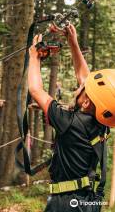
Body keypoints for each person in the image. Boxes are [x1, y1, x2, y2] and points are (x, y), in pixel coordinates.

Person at [28, 24, 115, 212]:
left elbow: (36, 90)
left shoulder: (69, 122)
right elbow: (85, 78)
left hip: (66, 205)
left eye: (84, 88)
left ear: (85, 103)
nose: (81, 84)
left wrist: (33, 58)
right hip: (88, 202)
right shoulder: (102, 121)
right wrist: (73, 42)